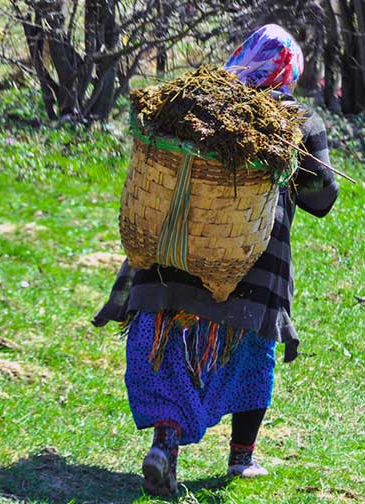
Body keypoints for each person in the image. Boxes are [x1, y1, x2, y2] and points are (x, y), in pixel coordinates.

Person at [93, 24, 339, 497]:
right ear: (290, 70)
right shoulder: (295, 120)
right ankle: (241, 458)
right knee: (249, 358)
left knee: (167, 354)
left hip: (171, 262)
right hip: (249, 271)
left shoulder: (194, 103)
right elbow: (322, 198)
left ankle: (166, 444)